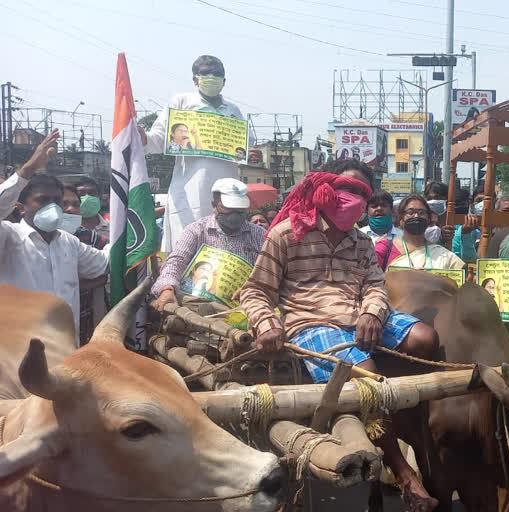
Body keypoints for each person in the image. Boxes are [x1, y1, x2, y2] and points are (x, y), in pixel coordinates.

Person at [238, 159, 440, 508]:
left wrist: (372, 312)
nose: (352, 198)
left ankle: (402, 418)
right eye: (345, 188)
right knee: (368, 377)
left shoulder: (361, 243)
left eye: (361, 192)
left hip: (359, 317)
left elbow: (376, 288)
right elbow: (255, 291)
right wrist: (266, 323)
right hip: (310, 323)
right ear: (323, 188)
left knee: (426, 339)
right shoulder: (286, 233)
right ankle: (402, 470)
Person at [0, 130, 110, 336]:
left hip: (65, 351)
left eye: (56, 201)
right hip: (18, 355)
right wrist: (29, 167)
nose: (53, 207)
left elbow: (104, 262)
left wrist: (127, 233)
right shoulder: (8, 236)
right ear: (21, 207)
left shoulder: (69, 242)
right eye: (42, 200)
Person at [139, 55, 244, 252]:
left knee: (226, 249)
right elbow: (159, 138)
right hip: (190, 194)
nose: (211, 77)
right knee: (186, 249)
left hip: (226, 191)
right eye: (205, 73)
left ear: (224, 80)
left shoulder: (233, 110)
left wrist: (248, 152)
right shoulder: (182, 102)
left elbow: (245, 147)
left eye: (217, 74)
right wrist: (143, 138)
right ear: (195, 79)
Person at [151, 178, 266, 311]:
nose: (235, 215)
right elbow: (176, 261)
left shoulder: (259, 235)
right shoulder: (196, 231)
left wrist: (255, 287)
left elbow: (271, 271)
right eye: (229, 209)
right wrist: (167, 288)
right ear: (214, 205)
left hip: (245, 307)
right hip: (196, 306)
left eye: (240, 210)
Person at [62, 184, 109, 345]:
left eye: (76, 204)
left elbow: (107, 259)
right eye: (63, 204)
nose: (70, 209)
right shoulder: (17, 237)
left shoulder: (82, 237)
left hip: (84, 317)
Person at [376, 194, 466, 271]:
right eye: (410, 212)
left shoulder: (441, 254)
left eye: (421, 212)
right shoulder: (385, 248)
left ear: (428, 219)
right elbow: (372, 280)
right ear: (401, 219)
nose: (416, 216)